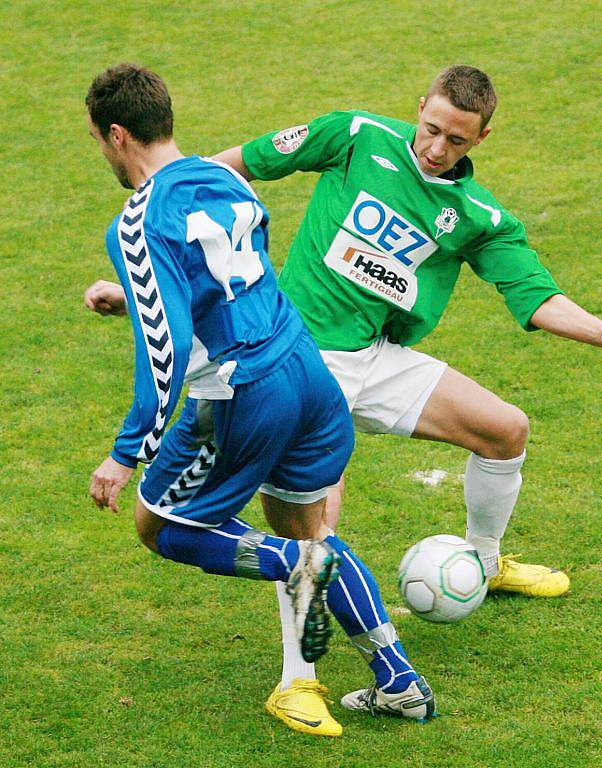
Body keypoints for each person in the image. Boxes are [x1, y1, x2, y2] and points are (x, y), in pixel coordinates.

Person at [206, 64, 602, 733]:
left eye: (456, 139)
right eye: (431, 129)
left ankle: (485, 563)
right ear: (418, 106)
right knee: (313, 533)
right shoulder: (353, 136)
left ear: (482, 135)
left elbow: (534, 296)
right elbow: (237, 165)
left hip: (372, 357)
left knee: (506, 429)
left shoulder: (479, 219)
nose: (435, 147)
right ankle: (296, 682)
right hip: (296, 361)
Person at [84, 63, 436, 739]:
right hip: (305, 368)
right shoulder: (225, 178)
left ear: (117, 135)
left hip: (244, 392)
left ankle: (296, 565)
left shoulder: (137, 221)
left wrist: (125, 454)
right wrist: (131, 295)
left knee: (162, 527)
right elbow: (234, 277)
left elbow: (165, 351)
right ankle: (401, 682)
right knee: (312, 525)